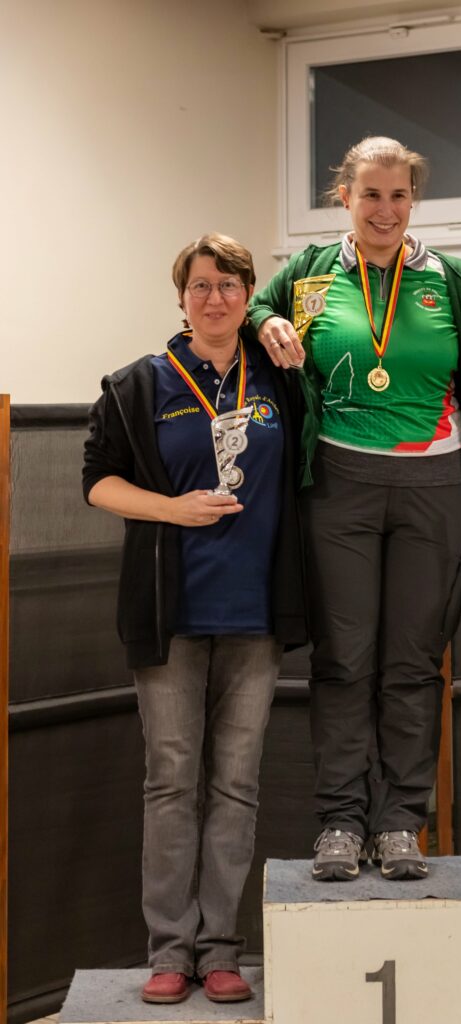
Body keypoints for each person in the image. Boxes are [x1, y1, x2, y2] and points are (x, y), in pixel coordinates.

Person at [249, 135, 461, 882]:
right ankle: (340, 821)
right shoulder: (309, 272)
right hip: (340, 484)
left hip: (437, 486)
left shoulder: (455, 279)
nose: (385, 209)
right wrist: (263, 321)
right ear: (345, 197)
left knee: (412, 663)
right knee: (342, 659)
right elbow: (256, 305)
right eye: (371, 194)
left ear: (413, 200)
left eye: (398, 195)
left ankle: (399, 824)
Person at [82, 234, 306, 1004]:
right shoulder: (137, 384)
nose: (215, 298)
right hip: (169, 614)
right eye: (201, 285)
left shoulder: (279, 378)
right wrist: (171, 509)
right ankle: (170, 951)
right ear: (181, 297)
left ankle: (220, 951)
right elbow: (98, 483)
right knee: (172, 782)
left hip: (256, 612)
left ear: (248, 295)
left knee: (236, 784)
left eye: (229, 285)